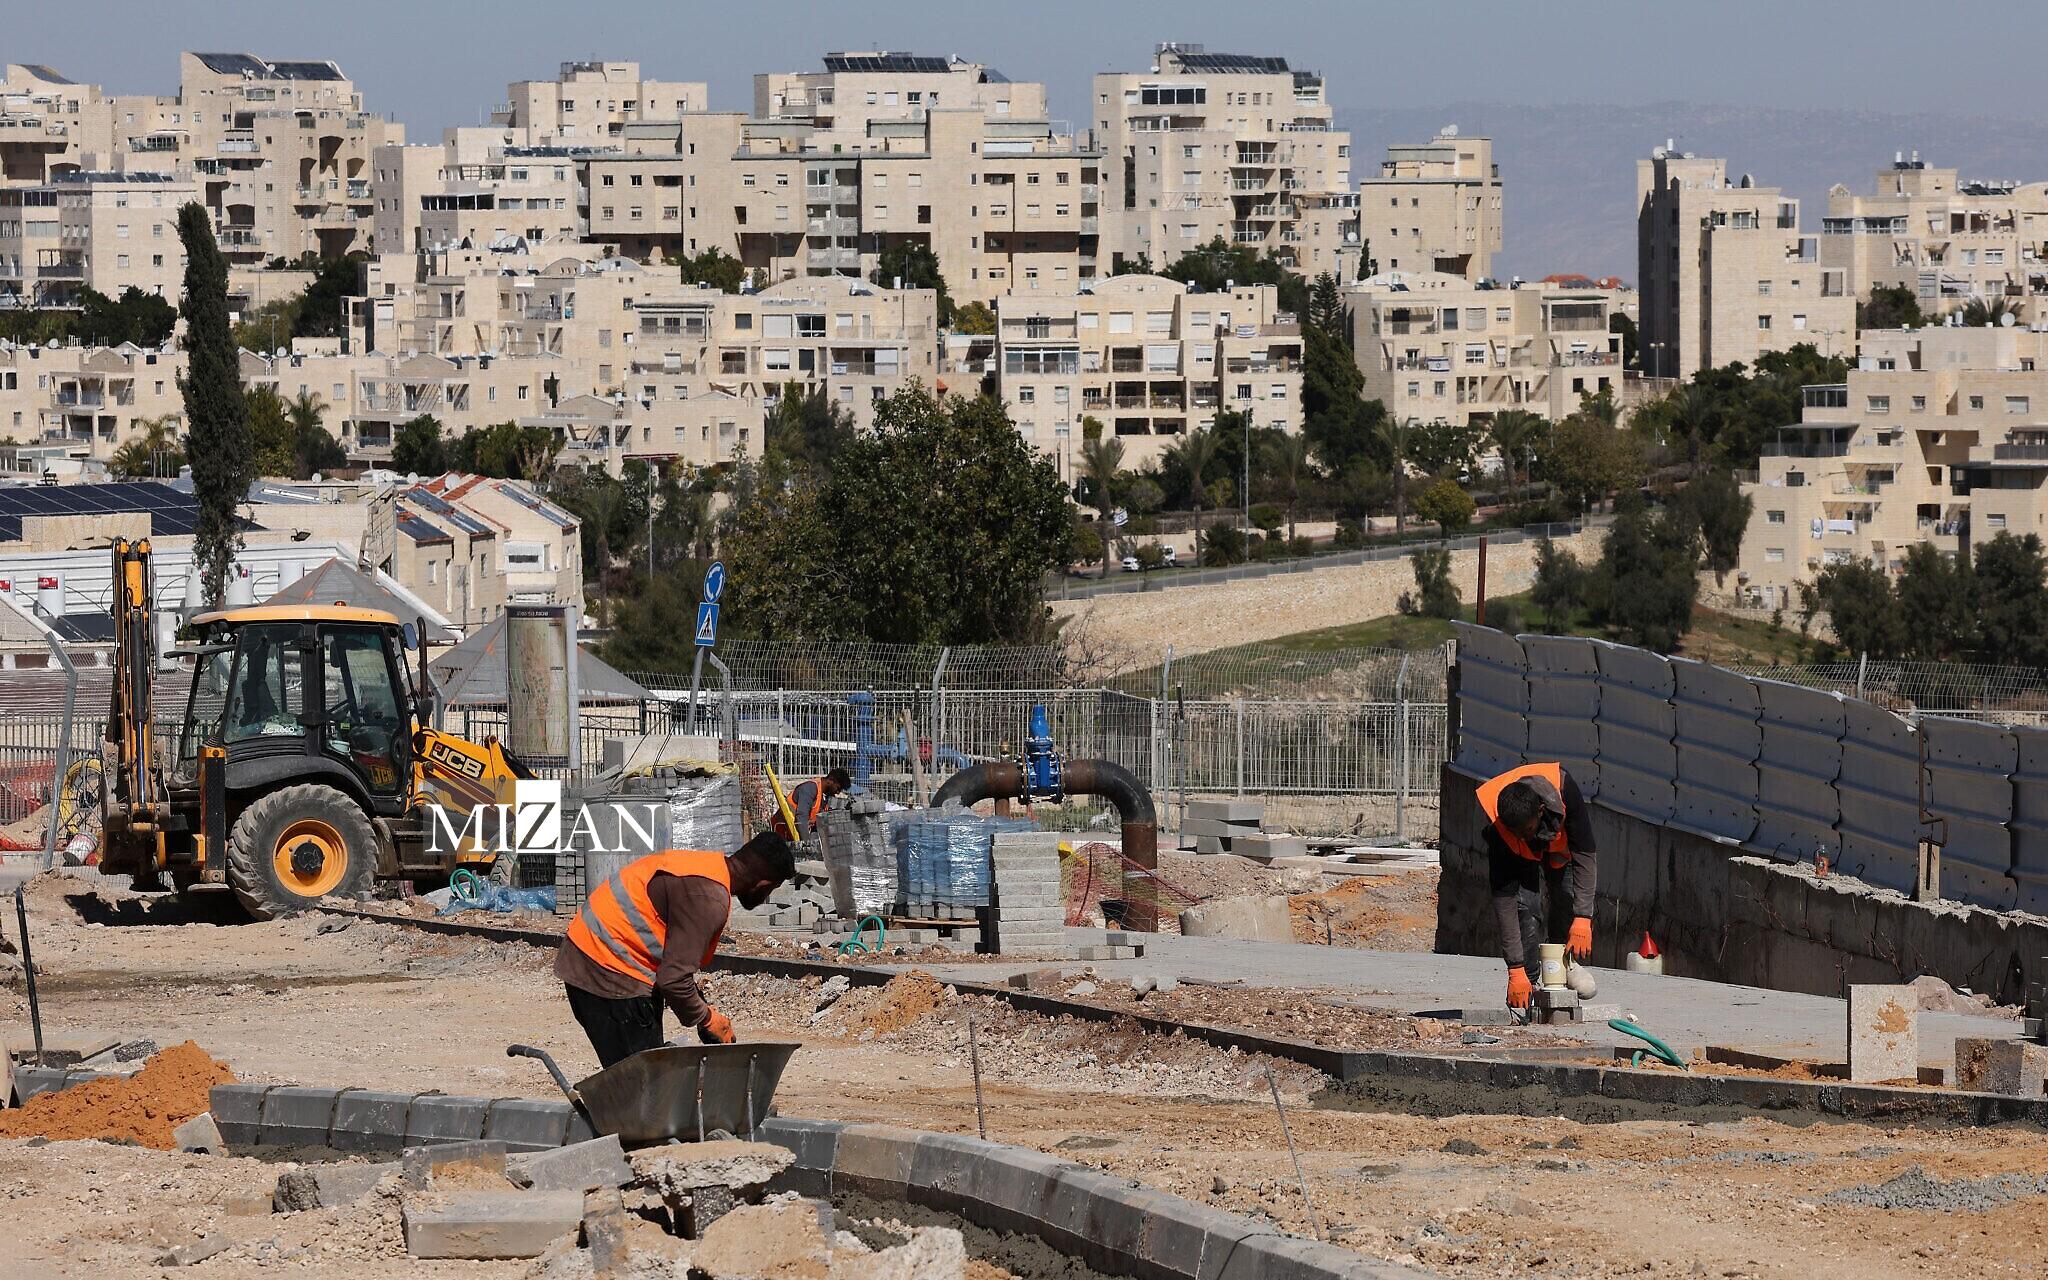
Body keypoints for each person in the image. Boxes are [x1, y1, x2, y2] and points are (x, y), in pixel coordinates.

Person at [554, 831, 795, 1068]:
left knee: (646, 1078)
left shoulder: (704, 867)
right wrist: (707, 1019)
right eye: (771, 890)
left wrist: (702, 1009)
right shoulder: (709, 899)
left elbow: (672, 962)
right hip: (607, 972)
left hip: (593, 955)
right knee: (640, 1086)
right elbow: (673, 979)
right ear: (763, 884)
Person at [1477, 762, 1597, 1011]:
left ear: (1541, 810)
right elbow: (1504, 902)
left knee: (1566, 893)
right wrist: (1515, 969)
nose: (1522, 836)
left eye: (1527, 830)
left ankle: (1564, 963)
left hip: (1557, 845)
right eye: (1517, 833)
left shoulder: (1566, 791)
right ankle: (1529, 982)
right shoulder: (1503, 829)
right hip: (1518, 857)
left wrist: (1583, 916)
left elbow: (1585, 855)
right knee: (1526, 908)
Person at [774, 766, 851, 840]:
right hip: (780, 834)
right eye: (838, 788)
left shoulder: (824, 796)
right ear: (830, 780)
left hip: (793, 834)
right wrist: (807, 844)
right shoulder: (810, 789)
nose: (838, 793)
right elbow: (801, 818)